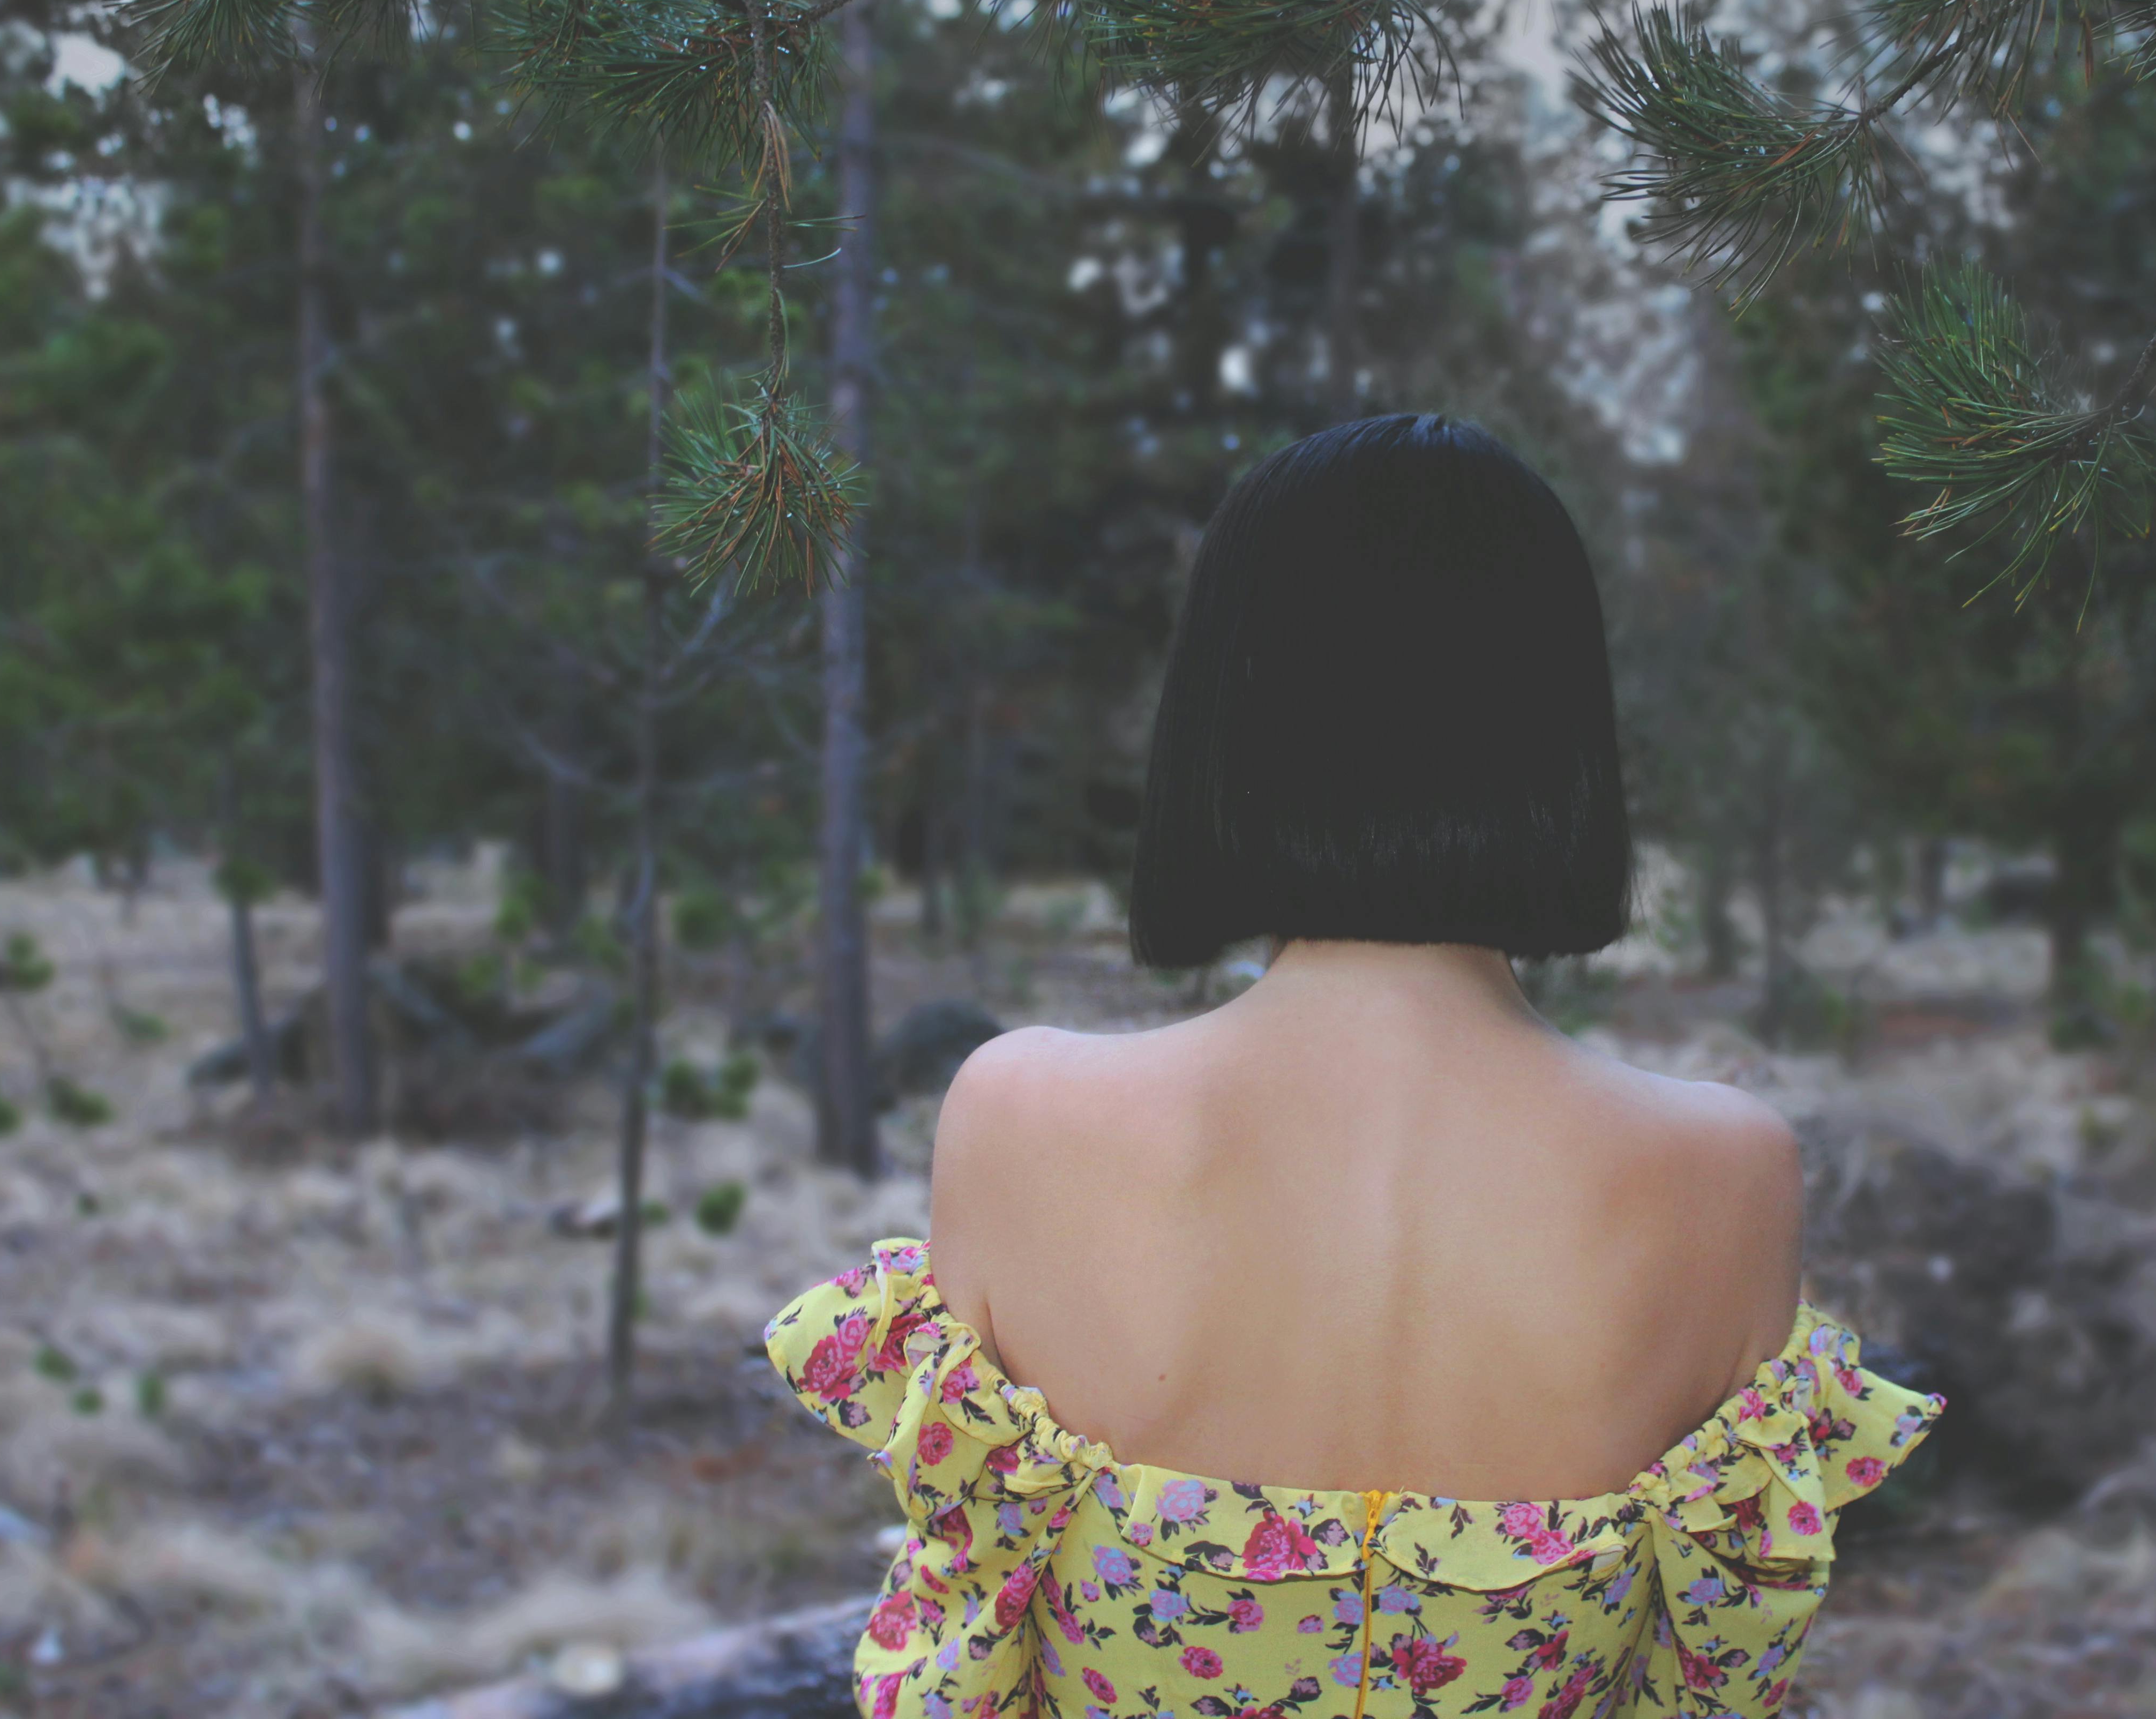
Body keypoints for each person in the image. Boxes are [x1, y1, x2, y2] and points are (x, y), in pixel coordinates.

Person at [767, 415, 1942, 1719]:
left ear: (1224, 720)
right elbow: (1714, 1688)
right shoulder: (1725, 1170)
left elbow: (964, 1667)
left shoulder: (1020, 1115)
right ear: (1560, 732)